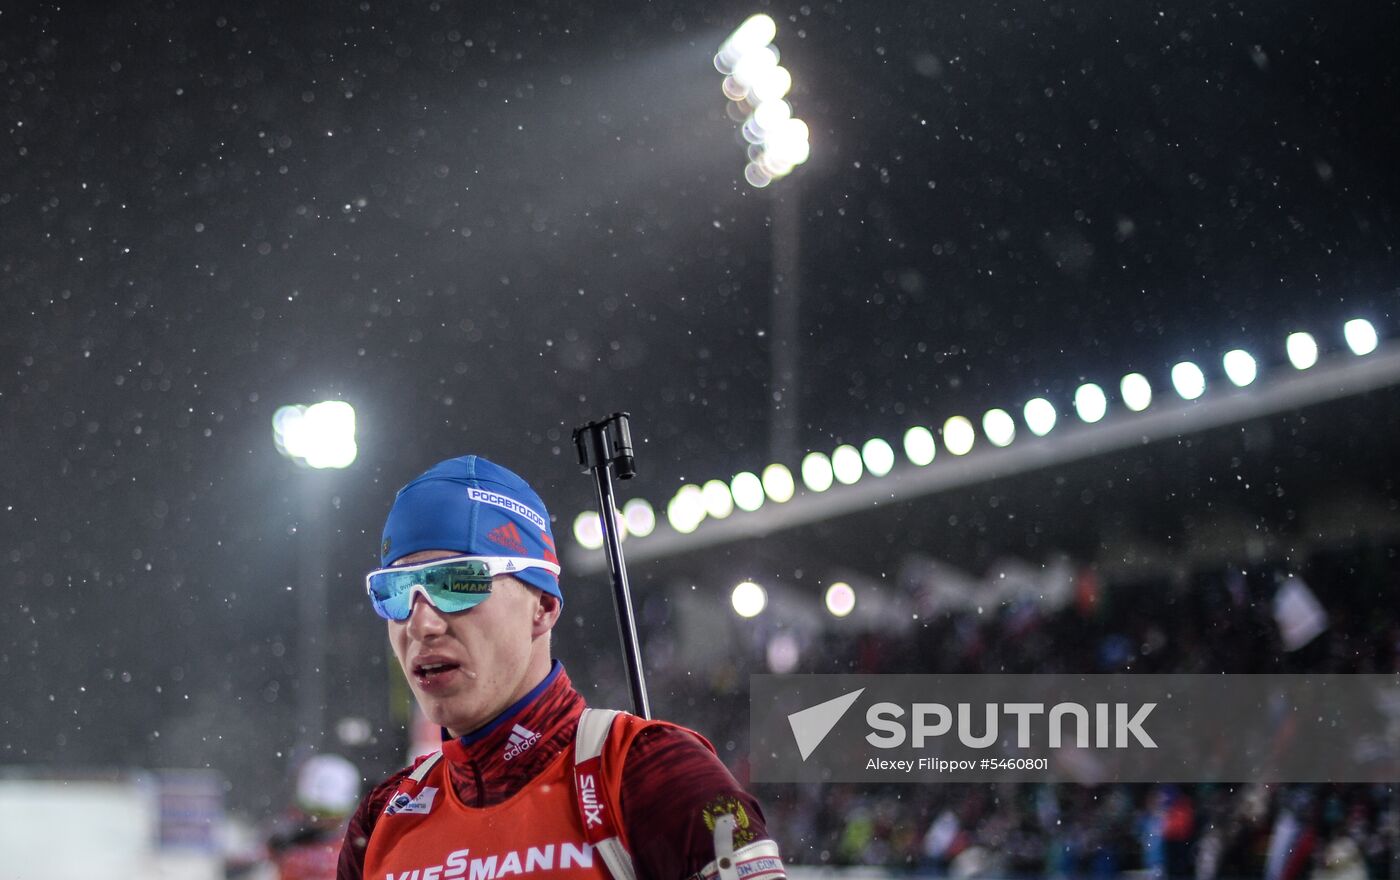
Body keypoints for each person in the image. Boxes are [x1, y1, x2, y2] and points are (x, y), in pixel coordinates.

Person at [337, 455, 786, 880]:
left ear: (544, 606)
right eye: (395, 590)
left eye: (459, 582)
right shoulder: (382, 817)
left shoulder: (654, 774)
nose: (421, 623)